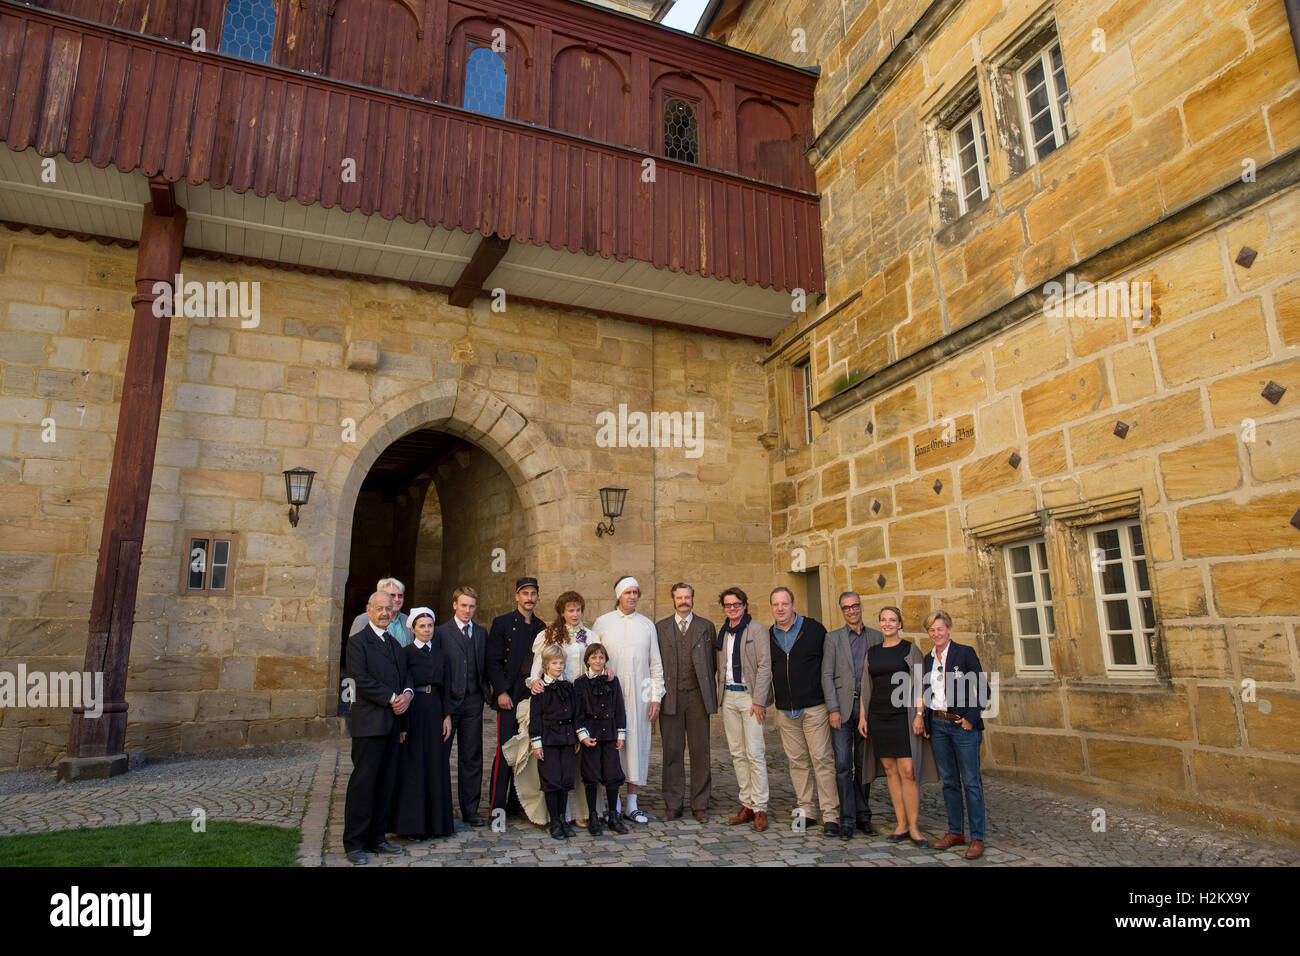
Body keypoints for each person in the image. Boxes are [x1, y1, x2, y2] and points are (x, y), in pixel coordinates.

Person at [515, 591, 600, 826]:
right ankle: (556, 815)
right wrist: (535, 683)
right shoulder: (548, 635)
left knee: (581, 756)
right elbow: (536, 669)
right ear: (562, 612)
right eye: (570, 610)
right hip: (555, 701)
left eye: (578, 610)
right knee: (557, 758)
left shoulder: (590, 636)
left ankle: (583, 810)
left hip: (582, 700)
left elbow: (596, 661)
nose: (575, 614)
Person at [342, 590, 413, 865]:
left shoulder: (395, 644)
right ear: (369, 610)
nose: (385, 613)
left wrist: (407, 693)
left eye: (389, 608)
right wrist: (392, 698)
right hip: (370, 724)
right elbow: (359, 678)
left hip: (393, 724)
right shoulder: (358, 642)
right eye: (380, 608)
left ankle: (377, 837)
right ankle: (355, 843)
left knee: (386, 783)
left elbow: (405, 675)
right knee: (364, 783)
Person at [857, 605, 936, 848]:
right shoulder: (873, 652)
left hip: (904, 717)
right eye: (884, 620)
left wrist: (920, 715)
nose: (888, 624)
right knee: (890, 771)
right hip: (879, 717)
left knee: (908, 771)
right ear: (880, 623)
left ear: (900, 624)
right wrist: (863, 718)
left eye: (893, 620)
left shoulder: (909, 649)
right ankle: (900, 824)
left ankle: (914, 826)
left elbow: (922, 684)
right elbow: (865, 687)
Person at [768, 587, 840, 837]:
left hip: (814, 707)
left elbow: (829, 667)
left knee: (822, 760)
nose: (780, 608)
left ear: (793, 604)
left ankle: (831, 814)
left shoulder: (815, 630)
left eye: (784, 604)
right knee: (797, 763)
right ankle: (807, 810)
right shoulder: (770, 635)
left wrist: (833, 706)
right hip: (786, 710)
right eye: (776, 605)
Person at [593, 576, 663, 825]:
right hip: (609, 695)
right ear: (619, 595)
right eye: (628, 592)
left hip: (640, 694)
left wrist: (655, 697)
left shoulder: (647, 625)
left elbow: (655, 663)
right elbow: (593, 658)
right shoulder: (603, 623)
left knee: (637, 745)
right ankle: (614, 802)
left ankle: (632, 802)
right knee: (612, 745)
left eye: (636, 592)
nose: (632, 596)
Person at [922, 609, 988, 859]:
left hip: (962, 726)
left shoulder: (964, 653)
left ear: (949, 629)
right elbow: (927, 691)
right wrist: (927, 722)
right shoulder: (928, 659)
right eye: (931, 629)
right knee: (949, 782)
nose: (936, 633)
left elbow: (983, 688)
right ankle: (955, 831)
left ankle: (977, 837)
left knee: (971, 782)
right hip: (939, 726)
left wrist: (971, 718)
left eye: (940, 628)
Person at [654, 582, 717, 822]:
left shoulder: (706, 627)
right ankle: (673, 802)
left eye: (687, 597)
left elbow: (711, 664)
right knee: (672, 750)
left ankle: (700, 803)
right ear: (673, 600)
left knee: (701, 750)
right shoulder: (660, 628)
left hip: (698, 697)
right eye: (679, 597)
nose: (683, 601)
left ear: (693, 598)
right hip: (670, 697)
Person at [824, 590, 883, 840]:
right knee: (842, 765)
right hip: (843, 708)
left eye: (854, 606)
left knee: (864, 764)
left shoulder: (877, 637)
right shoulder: (833, 638)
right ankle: (846, 819)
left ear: (861, 607)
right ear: (842, 611)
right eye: (846, 607)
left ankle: (863, 816)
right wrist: (833, 709)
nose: (851, 611)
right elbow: (826, 676)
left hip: (867, 710)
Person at [391, 607, 454, 840]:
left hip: (435, 709)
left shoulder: (441, 654)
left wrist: (447, 716)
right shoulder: (405, 653)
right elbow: (401, 685)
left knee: (435, 764)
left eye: (430, 626)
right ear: (414, 629)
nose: (427, 630)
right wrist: (403, 724)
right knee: (414, 766)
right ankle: (413, 825)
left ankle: (437, 824)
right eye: (422, 626)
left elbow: (446, 686)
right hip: (414, 710)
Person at [486, 577, 546, 817]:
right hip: (509, 696)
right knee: (505, 751)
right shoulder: (501, 624)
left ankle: (518, 803)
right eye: (525, 594)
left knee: (526, 753)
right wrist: (500, 691)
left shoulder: (542, 627)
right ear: (517, 596)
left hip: (531, 697)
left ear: (537, 597)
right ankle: (496, 807)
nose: (529, 598)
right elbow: (492, 660)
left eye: (533, 594)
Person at [715, 587, 771, 832]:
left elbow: (764, 666)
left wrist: (759, 700)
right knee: (737, 753)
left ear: (744, 605)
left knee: (755, 752)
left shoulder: (756, 630)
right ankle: (746, 803)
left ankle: (760, 807)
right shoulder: (723, 632)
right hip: (728, 695)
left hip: (749, 698)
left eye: (736, 604)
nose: (732, 609)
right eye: (728, 605)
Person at [433, 586, 489, 828]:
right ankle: (440, 808)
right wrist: (442, 707)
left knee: (472, 756)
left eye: (472, 606)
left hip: (473, 702)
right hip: (448, 702)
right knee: (441, 755)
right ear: (454, 605)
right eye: (463, 605)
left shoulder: (480, 633)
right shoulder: (440, 633)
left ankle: (470, 809)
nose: (467, 610)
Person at [574, 642, 629, 836]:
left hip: (610, 733)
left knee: (613, 775)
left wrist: (620, 734)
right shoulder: (580, 683)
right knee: (591, 776)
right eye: (594, 657)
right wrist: (582, 735)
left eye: (601, 657)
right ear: (587, 660)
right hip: (591, 735)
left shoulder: (613, 681)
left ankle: (613, 815)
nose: (598, 661)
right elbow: (577, 712)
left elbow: (619, 709)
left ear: (605, 660)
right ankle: (593, 816)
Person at [530, 645, 579, 840]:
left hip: (566, 737)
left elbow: (575, 713)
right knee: (552, 779)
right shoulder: (541, 689)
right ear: (546, 665)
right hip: (549, 739)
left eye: (561, 663)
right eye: (554, 663)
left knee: (566, 778)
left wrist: (576, 736)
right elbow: (536, 717)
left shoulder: (568, 687)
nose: (558, 667)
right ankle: (554, 821)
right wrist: (537, 743)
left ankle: (563, 818)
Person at [349, 577, 413, 647]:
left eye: (400, 596)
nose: (397, 599)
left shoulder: (407, 620)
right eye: (392, 595)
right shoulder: (364, 619)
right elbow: (355, 648)